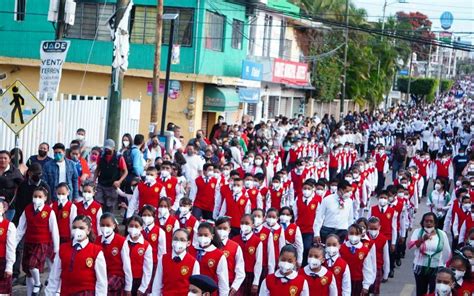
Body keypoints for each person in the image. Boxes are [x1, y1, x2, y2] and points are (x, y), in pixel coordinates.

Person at [46, 215, 107, 295]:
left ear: (88, 230)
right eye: (74, 227)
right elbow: (54, 275)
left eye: (81, 228)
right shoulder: (63, 249)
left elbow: (101, 281)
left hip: (86, 292)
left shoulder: (96, 251)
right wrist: (50, 293)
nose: (77, 230)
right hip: (66, 292)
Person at [16, 187, 59, 295]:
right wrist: (14, 243)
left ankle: (38, 283)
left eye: (40, 197)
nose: (37, 199)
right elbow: (21, 228)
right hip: (29, 242)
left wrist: (56, 248)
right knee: (28, 270)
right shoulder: (28, 209)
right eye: (35, 196)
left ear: (45, 198)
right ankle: (30, 293)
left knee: (32, 265)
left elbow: (54, 229)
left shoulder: (49, 211)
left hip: (42, 243)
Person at [409, 212, 451, 296]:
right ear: (423, 222)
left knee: (435, 291)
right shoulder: (417, 232)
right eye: (426, 221)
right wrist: (422, 239)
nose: (428, 223)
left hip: (437, 267)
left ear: (435, 223)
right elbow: (412, 246)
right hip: (420, 266)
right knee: (421, 291)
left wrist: (443, 265)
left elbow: (447, 251)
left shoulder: (442, 234)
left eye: (431, 221)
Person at [152, 228, 200, 295]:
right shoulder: (163, 259)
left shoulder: (194, 263)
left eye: (182, 240)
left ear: (188, 243)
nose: (178, 242)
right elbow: (157, 283)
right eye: (175, 239)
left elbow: (195, 288)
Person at [189, 222, 229, 296]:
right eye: (200, 235)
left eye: (206, 235)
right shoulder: (190, 251)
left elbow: (223, 281)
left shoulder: (218, 255)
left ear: (212, 236)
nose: (203, 237)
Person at [98, 212, 133, 295]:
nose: (105, 228)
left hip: (116, 276)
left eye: (108, 225)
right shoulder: (97, 240)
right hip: (101, 275)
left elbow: (127, 265)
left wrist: (128, 287)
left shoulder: (121, 241)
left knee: (104, 285)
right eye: (102, 225)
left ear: (113, 225)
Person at [339, 223, 376, 296]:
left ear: (361, 235)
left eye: (356, 234)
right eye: (351, 233)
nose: (354, 236)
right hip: (344, 280)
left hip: (357, 281)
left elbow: (367, 268)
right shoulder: (342, 248)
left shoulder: (364, 250)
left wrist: (366, 286)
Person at [232, 214, 262, 295]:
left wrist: (256, 282)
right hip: (236, 275)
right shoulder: (235, 239)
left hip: (249, 275)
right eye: (242, 223)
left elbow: (258, 262)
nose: (244, 225)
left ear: (252, 225)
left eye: (247, 223)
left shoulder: (257, 241)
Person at [215, 216, 245, 294]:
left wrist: (235, 286)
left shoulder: (235, 247)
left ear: (229, 230)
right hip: (212, 284)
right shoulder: (211, 245)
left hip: (229, 284)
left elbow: (240, 270)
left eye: (225, 228)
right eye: (219, 228)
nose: (222, 231)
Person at [127, 215, 153, 295]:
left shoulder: (146, 245)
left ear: (141, 228)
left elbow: (148, 268)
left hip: (139, 280)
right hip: (125, 279)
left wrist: (143, 287)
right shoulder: (122, 242)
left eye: (136, 226)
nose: (133, 228)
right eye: (131, 226)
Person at [367, 217, 390, 296]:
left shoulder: (383, 239)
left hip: (377, 267)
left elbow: (386, 257)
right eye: (371, 228)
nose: (373, 231)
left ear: (379, 227)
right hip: (366, 267)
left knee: (375, 291)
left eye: (375, 228)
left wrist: (386, 273)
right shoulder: (365, 238)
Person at [0, 150, 24, 221]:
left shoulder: (15, 172)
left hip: (9, 205)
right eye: (0, 158)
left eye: (5, 158)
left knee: (5, 227)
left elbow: (22, 186)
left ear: (9, 160)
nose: (2, 160)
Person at [0, 198, 16, 295]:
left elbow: (11, 247)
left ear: (3, 210)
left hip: (2, 262)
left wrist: (9, 267)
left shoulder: (9, 226)